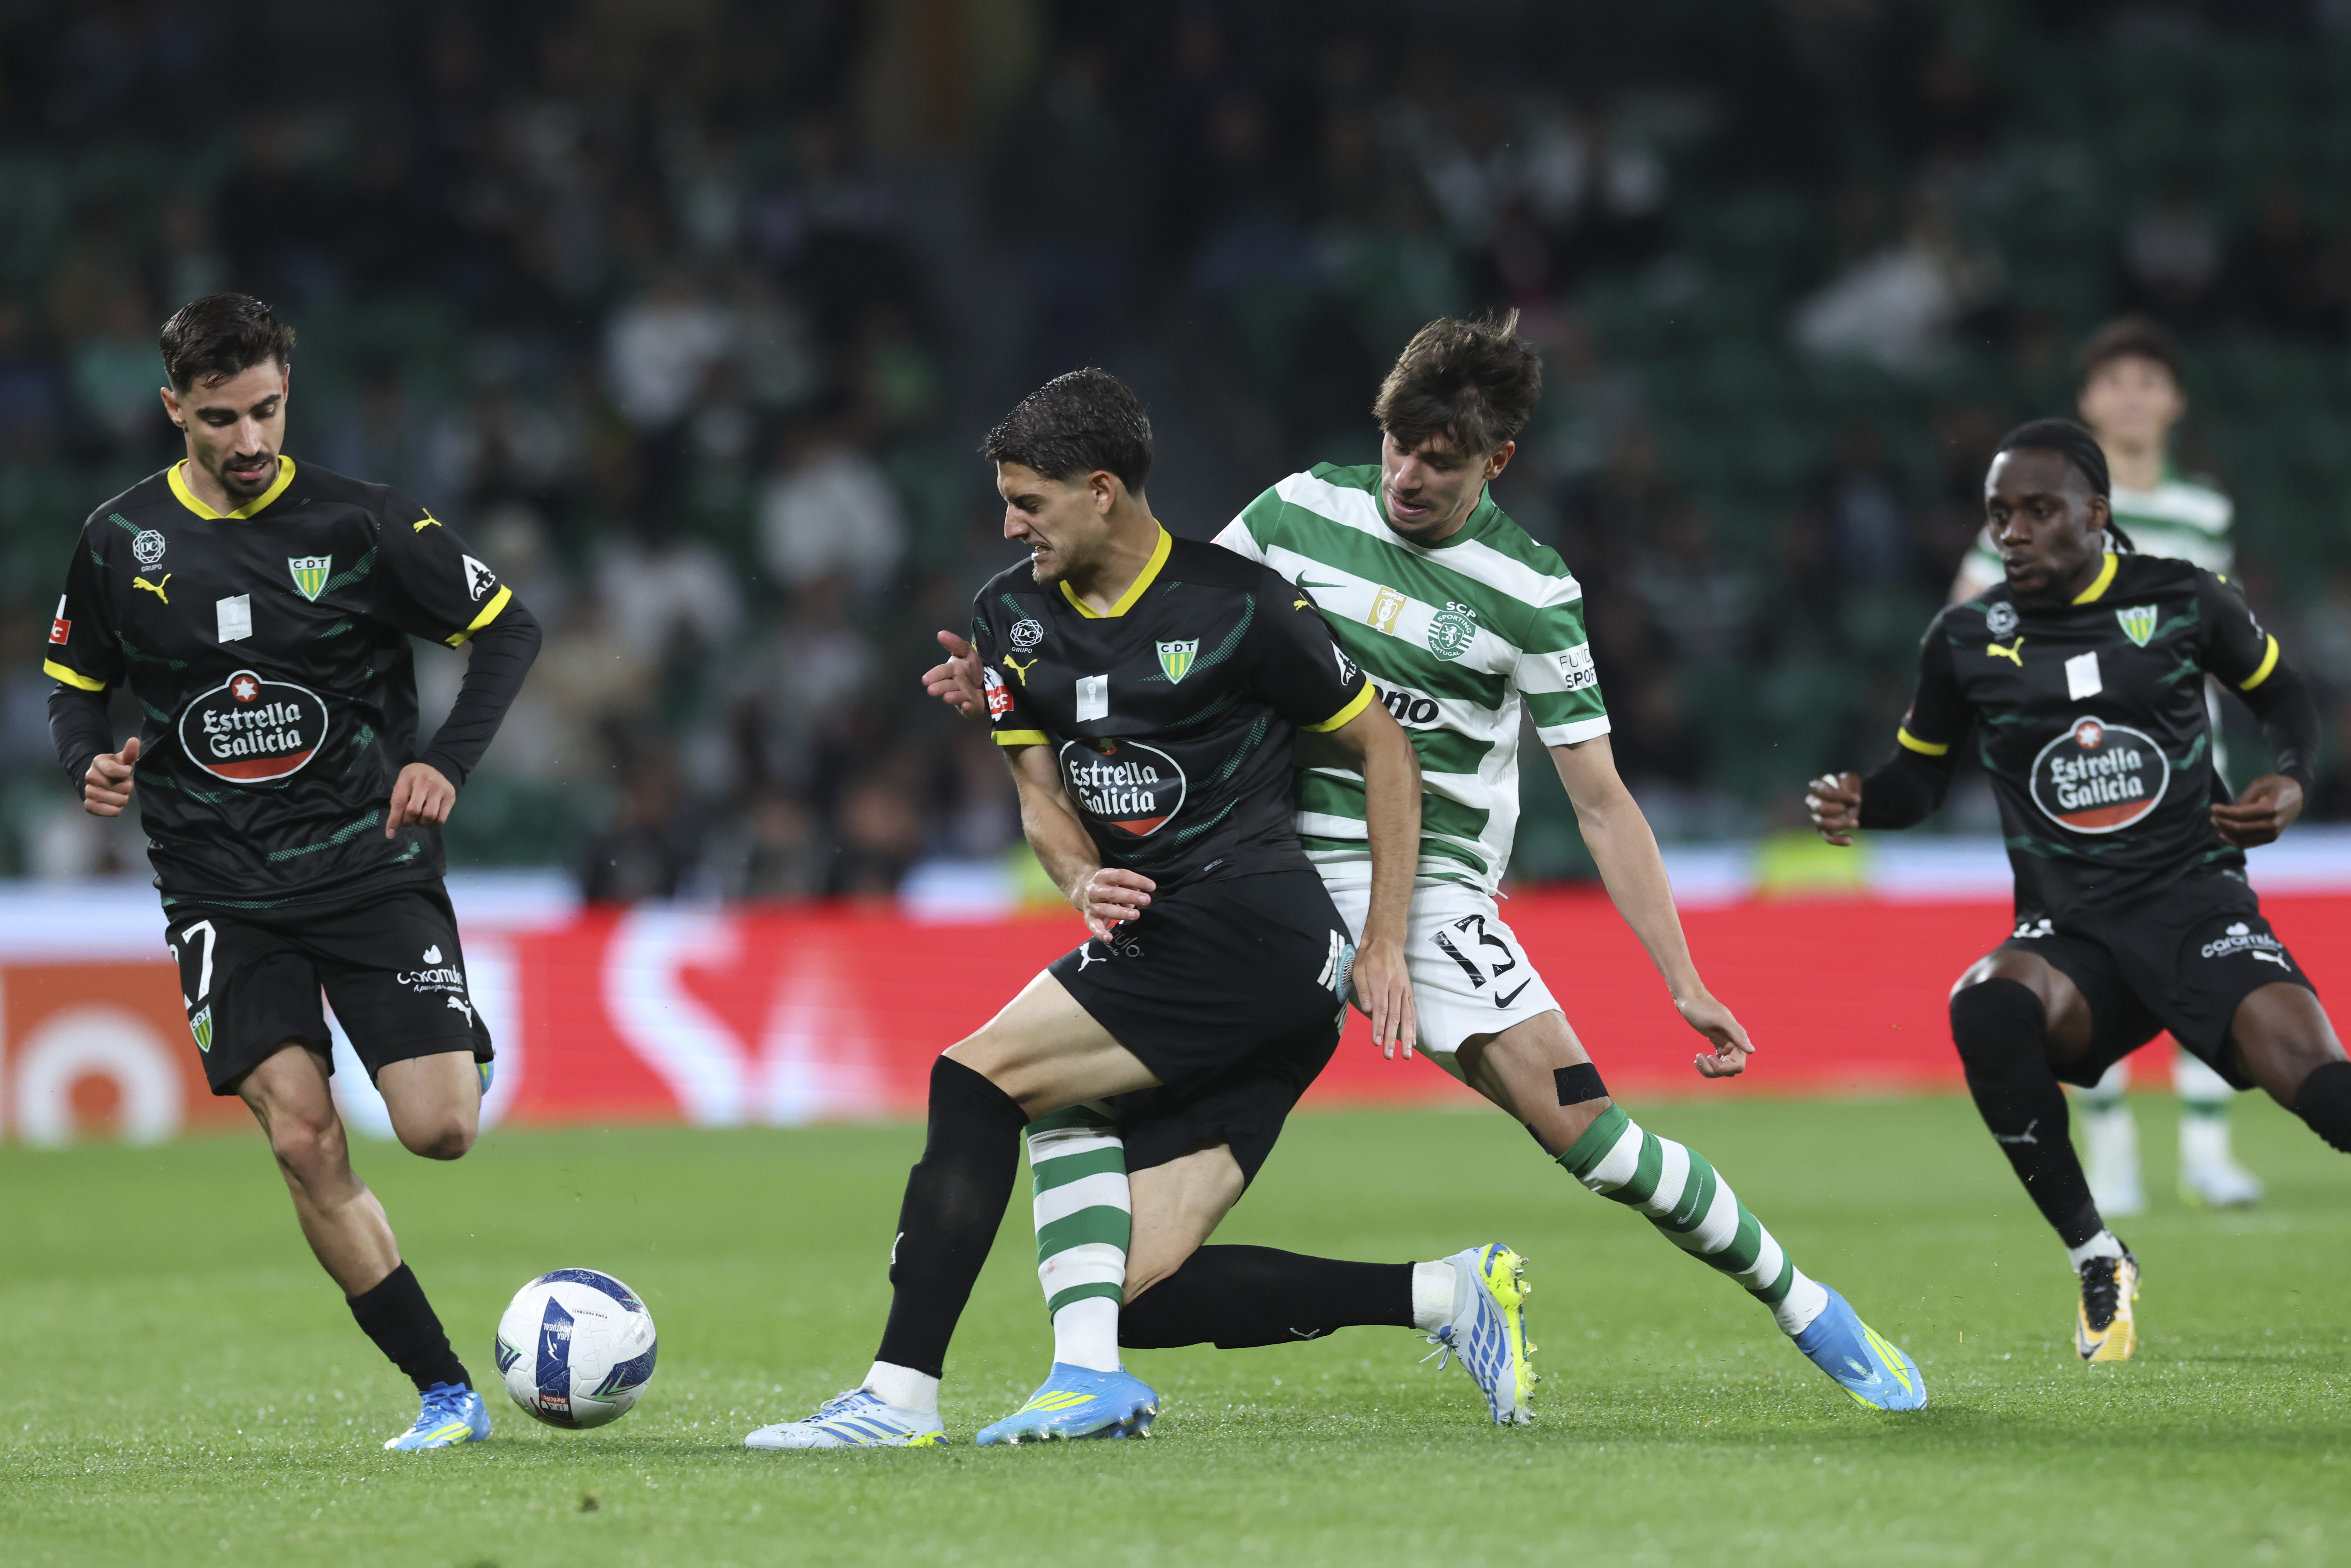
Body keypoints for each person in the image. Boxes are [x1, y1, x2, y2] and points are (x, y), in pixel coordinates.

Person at [927, 317, 1926, 1422]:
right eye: (1397, 444)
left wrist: (1678, 978)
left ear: (1496, 460)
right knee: (1128, 1275)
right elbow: (1166, 630)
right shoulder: (1299, 509)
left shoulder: (1530, 590)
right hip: (1247, 877)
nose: (1407, 474)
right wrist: (1018, 681)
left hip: (1425, 883)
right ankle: (1336, 1321)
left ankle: (1803, 1303)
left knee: (1587, 1137)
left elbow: (1599, 802)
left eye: (1440, 459)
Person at [744, 369, 1427, 1450]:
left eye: (1030, 503)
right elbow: (1039, 798)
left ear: (1102, 489)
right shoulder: (1006, 618)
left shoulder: (1238, 604)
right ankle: (1439, 1298)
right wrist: (1074, 879)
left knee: (975, 1081)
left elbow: (1383, 747)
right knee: (1138, 1285)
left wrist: (1384, 937)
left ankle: (898, 1394)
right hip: (1170, 937)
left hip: (1254, 929)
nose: (1010, 526)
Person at [43, 294, 541, 1448]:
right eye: (221, 417)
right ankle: (445, 1393)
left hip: (369, 866)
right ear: (174, 408)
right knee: (303, 1140)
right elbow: (77, 680)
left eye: (267, 409)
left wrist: (446, 765)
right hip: (218, 887)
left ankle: (447, 1381)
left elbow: (508, 630)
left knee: (440, 1129)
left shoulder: (367, 524)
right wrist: (89, 762)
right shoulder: (121, 541)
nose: (251, 438)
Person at [1807, 419, 2344, 1363]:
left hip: (2197, 910)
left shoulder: (2181, 599)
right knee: (1984, 1006)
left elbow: (2283, 696)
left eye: (2037, 511)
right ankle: (2097, 1255)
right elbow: (1917, 780)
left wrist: (2292, 781)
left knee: (2323, 1092)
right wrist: (1863, 802)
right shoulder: (1966, 639)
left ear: (2095, 515)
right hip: (2072, 934)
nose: (2011, 533)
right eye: (1998, 515)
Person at [1950, 319, 2259, 1214]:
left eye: (2147, 380)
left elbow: (2220, 632)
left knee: (2208, 933)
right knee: (2088, 950)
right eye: (2112, 381)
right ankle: (2115, 1151)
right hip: (2070, 771)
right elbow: (1969, 608)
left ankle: (2207, 1149)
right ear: (2086, 401)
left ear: (2173, 401)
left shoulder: (2203, 512)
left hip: (2185, 763)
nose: (2130, 395)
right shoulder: (2040, 500)